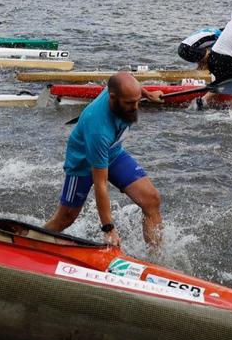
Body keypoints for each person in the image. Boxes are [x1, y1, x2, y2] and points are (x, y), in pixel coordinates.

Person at [45, 72, 164, 248]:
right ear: (113, 97)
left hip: (113, 152)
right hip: (83, 162)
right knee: (66, 218)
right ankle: (32, 241)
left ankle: (156, 260)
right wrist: (108, 228)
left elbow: (132, 85)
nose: (135, 107)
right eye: (130, 103)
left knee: (151, 199)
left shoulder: (123, 93)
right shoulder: (99, 130)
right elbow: (100, 185)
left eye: (137, 101)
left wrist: (148, 94)